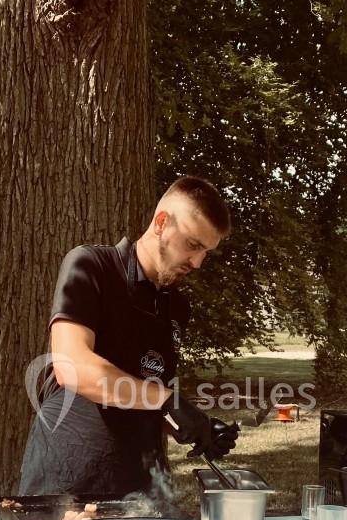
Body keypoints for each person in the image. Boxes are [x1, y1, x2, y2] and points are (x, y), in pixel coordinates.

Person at [18, 176, 240, 496]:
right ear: (161, 222)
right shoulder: (93, 266)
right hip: (68, 479)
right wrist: (167, 400)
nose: (197, 262)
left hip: (142, 489)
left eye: (206, 251)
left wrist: (196, 425)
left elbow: (147, 395)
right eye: (193, 245)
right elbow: (73, 368)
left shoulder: (176, 306)